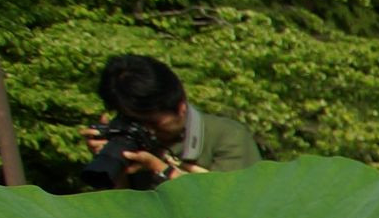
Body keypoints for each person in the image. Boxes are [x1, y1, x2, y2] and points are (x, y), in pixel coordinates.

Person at [83, 54, 257, 189]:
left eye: (153, 123)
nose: (146, 131)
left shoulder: (227, 136)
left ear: (181, 107)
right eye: (135, 122)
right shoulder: (128, 141)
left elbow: (234, 206)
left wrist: (161, 169)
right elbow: (122, 214)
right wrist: (111, 161)